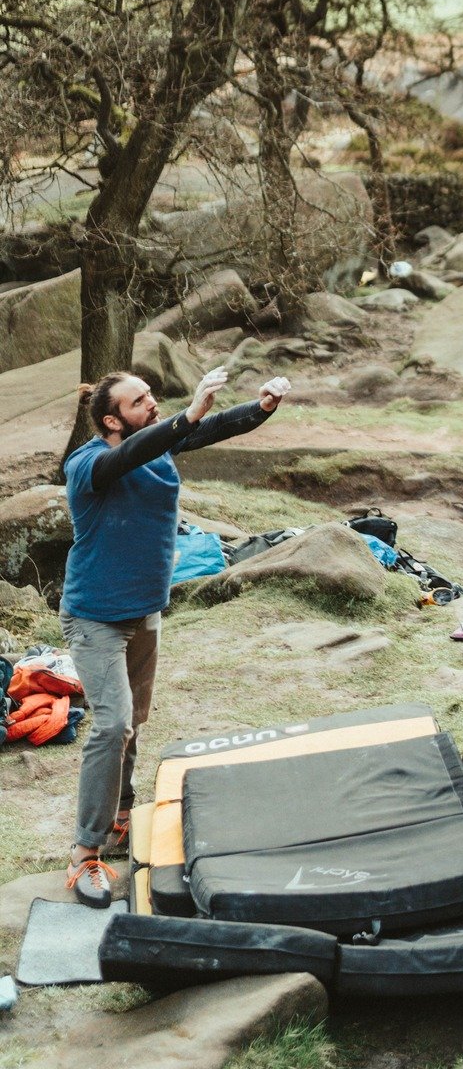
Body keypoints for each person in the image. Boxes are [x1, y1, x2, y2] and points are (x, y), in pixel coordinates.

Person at [59, 362, 292, 905]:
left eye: (150, 396)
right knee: (111, 725)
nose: (151, 405)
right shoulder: (89, 463)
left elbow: (209, 428)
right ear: (112, 422)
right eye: (139, 402)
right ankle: (85, 853)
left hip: (144, 612)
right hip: (94, 617)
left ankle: (121, 811)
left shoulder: (157, 444)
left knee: (133, 723)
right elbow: (131, 457)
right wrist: (188, 414)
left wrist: (259, 408)